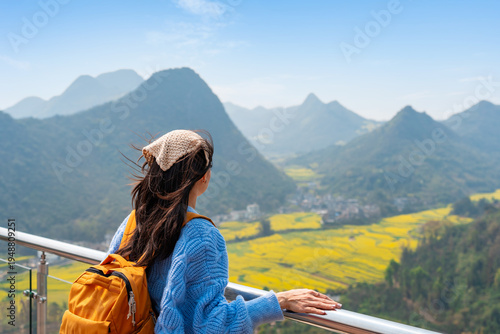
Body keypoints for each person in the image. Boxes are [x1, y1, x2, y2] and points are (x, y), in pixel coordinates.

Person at [106, 129, 342, 333]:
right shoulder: (201, 234)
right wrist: (280, 301)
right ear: (204, 178)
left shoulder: (133, 221)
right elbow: (211, 326)